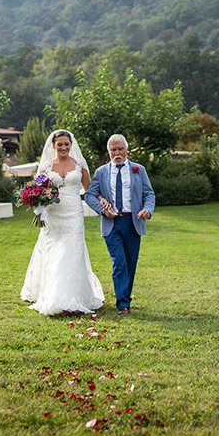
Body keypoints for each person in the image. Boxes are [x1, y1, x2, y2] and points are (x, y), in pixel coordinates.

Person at [20, 130, 105, 315]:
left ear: (71, 145)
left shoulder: (79, 164)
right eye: (60, 144)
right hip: (54, 216)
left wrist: (102, 202)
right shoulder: (46, 166)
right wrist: (38, 201)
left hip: (74, 214)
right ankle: (54, 296)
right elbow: (36, 189)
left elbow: (88, 189)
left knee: (73, 252)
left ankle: (74, 297)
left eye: (67, 144)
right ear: (53, 146)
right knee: (54, 253)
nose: (64, 147)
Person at [84, 134, 156, 315]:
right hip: (111, 223)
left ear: (126, 149)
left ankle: (126, 297)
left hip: (133, 222)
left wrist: (147, 209)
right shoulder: (101, 172)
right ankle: (123, 303)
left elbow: (149, 194)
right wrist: (102, 210)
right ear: (108, 152)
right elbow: (90, 195)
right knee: (119, 262)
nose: (117, 153)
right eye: (113, 150)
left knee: (131, 263)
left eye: (120, 149)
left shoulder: (139, 170)